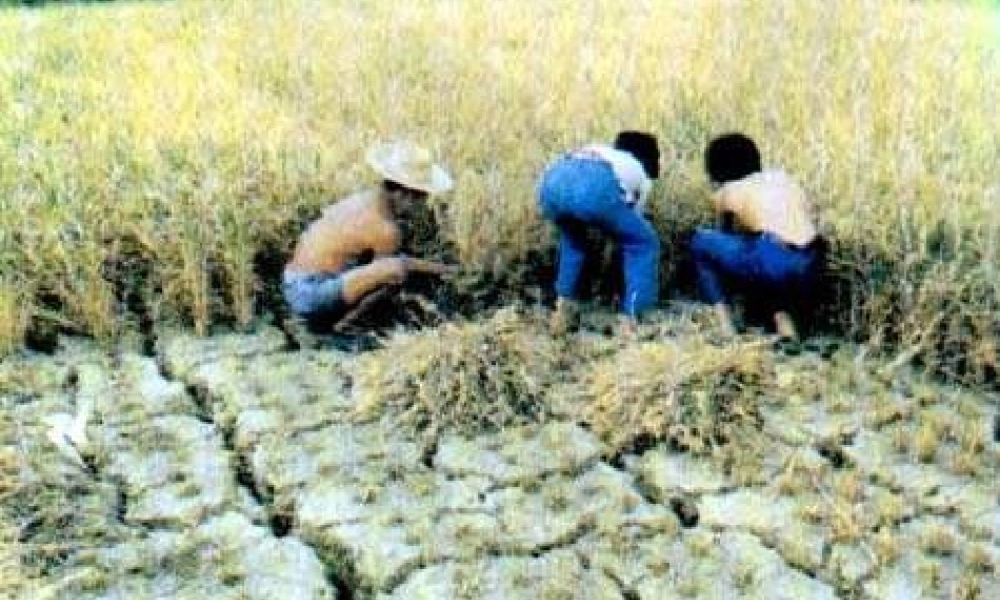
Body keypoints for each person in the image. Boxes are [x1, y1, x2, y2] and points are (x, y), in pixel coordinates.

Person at [283, 140, 458, 347]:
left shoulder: (365, 199)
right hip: (310, 294)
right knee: (394, 274)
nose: (419, 206)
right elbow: (393, 268)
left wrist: (440, 269)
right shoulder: (386, 229)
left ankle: (320, 320)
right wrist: (446, 270)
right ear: (404, 194)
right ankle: (341, 327)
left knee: (386, 267)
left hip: (291, 281)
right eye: (420, 198)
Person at [692, 132, 826, 341]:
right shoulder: (782, 177)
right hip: (813, 258)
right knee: (762, 248)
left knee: (702, 242)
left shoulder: (727, 191)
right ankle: (785, 324)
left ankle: (725, 325)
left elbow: (724, 236)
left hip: (772, 259)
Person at [537, 130, 661, 337]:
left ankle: (562, 311)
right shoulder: (639, 170)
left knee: (574, 242)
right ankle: (633, 318)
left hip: (551, 184)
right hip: (594, 188)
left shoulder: (601, 151)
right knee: (643, 243)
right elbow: (629, 229)